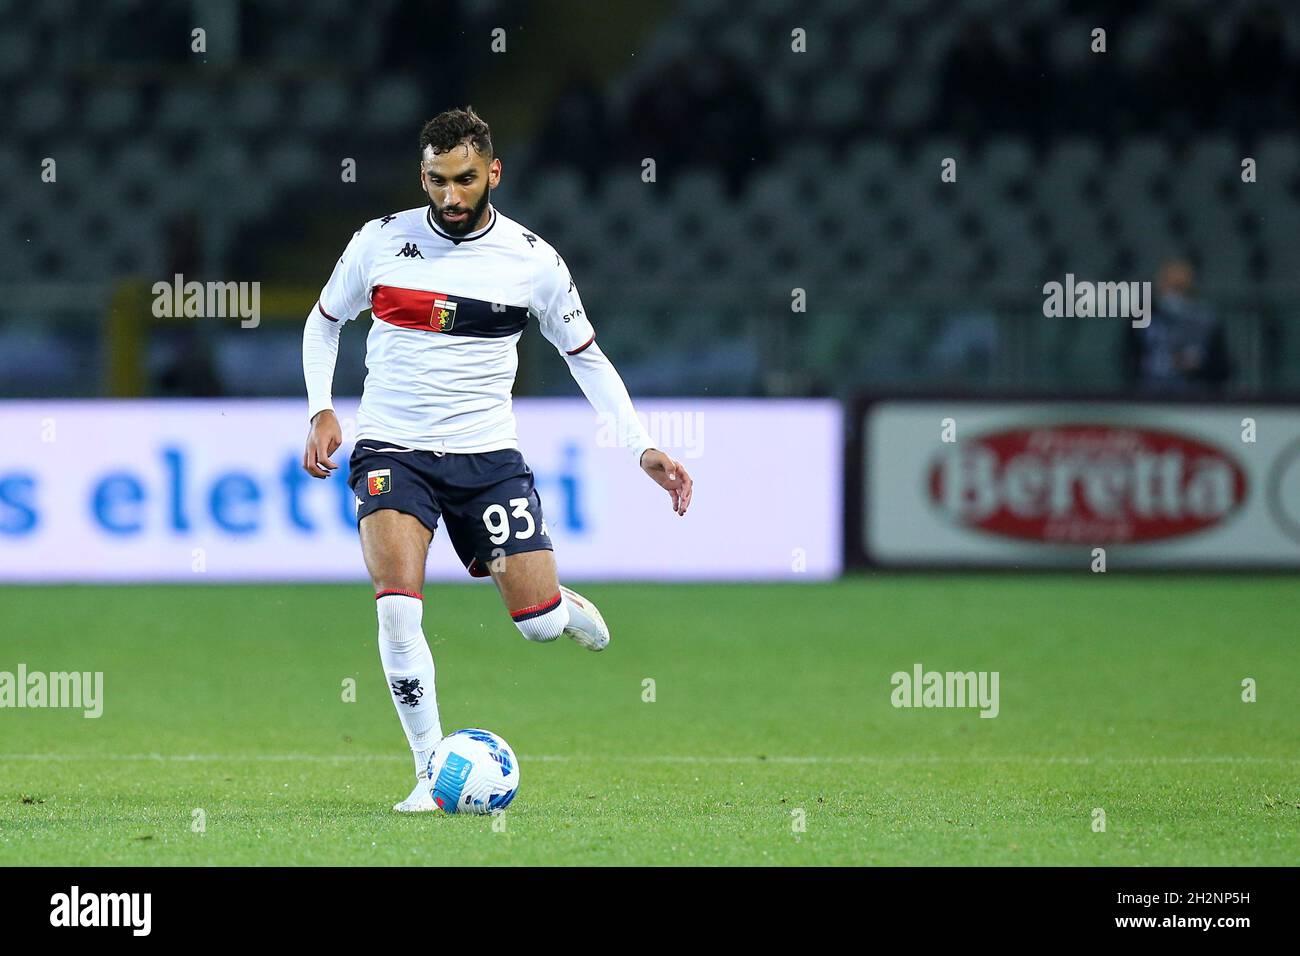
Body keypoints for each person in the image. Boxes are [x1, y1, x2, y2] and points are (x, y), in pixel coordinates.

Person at [300, 106, 693, 812]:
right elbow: (324, 322)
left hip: (487, 459)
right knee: (397, 611)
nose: (450, 196)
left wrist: (641, 445)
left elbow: (586, 357)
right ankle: (429, 773)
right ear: (422, 176)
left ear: (494, 173)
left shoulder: (533, 261)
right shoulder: (379, 242)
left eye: (465, 179)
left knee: (536, 625)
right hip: (393, 448)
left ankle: (561, 606)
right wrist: (320, 408)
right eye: (437, 180)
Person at [1123, 258, 1230, 395]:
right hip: (1148, 397)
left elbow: (1223, 368)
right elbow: (1128, 361)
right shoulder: (1140, 318)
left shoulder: (1209, 322)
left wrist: (1200, 365)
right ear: (1160, 285)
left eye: (1181, 288)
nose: (1176, 294)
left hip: (1195, 398)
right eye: (1171, 286)